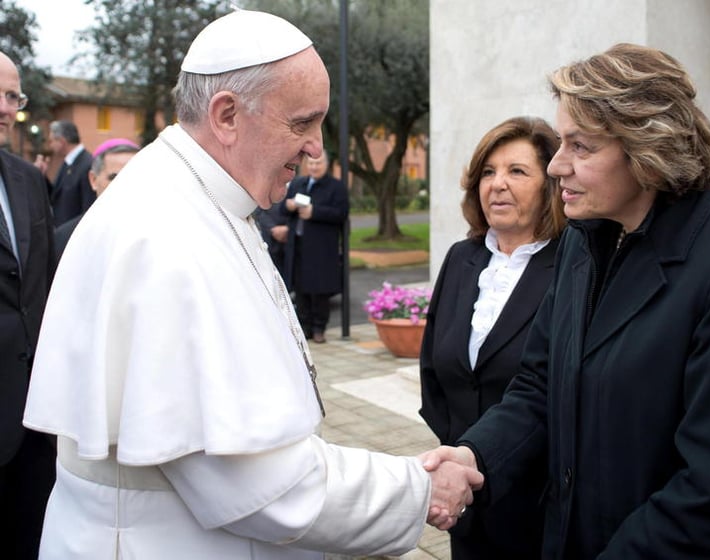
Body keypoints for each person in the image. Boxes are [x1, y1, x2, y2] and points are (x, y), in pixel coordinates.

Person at [23, 10, 481, 560]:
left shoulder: (197, 198)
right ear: (227, 115)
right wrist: (420, 487)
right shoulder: (166, 235)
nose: (316, 148)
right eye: (302, 123)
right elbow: (262, 489)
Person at [424, 43, 710, 559]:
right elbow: (539, 386)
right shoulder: (583, 242)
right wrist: (474, 454)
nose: (556, 166)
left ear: (648, 147)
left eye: (581, 146)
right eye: (560, 143)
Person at [419, 115, 563, 560]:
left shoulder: (573, 267)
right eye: (487, 172)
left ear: (550, 186)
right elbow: (433, 369)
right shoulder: (462, 259)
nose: (496, 184)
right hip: (467, 502)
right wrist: (457, 462)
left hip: (539, 506)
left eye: (517, 171)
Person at [0, 50, 57, 560]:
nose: (4, 106)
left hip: (32, 424)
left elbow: (46, 275)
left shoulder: (28, 179)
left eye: (12, 95)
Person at [281, 151, 349, 343]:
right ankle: (305, 328)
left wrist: (315, 212)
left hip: (321, 247)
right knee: (301, 290)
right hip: (299, 245)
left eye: (317, 163)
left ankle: (319, 328)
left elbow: (341, 213)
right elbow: (282, 209)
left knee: (320, 290)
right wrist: (290, 205)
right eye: (310, 163)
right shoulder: (298, 184)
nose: (313, 167)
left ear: (326, 164)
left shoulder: (336, 187)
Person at [54, 138, 140, 258]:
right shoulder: (66, 237)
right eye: (114, 177)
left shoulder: (159, 234)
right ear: (93, 180)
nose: (124, 184)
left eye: (133, 176)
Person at [45, 119, 95, 226]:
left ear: (62, 141)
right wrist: (41, 176)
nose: (51, 146)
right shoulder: (68, 162)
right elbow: (56, 195)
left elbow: (87, 208)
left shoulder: (87, 164)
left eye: (52, 141)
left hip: (73, 235)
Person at [255, 200, 290, 286]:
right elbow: (258, 210)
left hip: (291, 236)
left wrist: (288, 228)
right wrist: (272, 228)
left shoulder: (296, 187)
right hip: (270, 236)